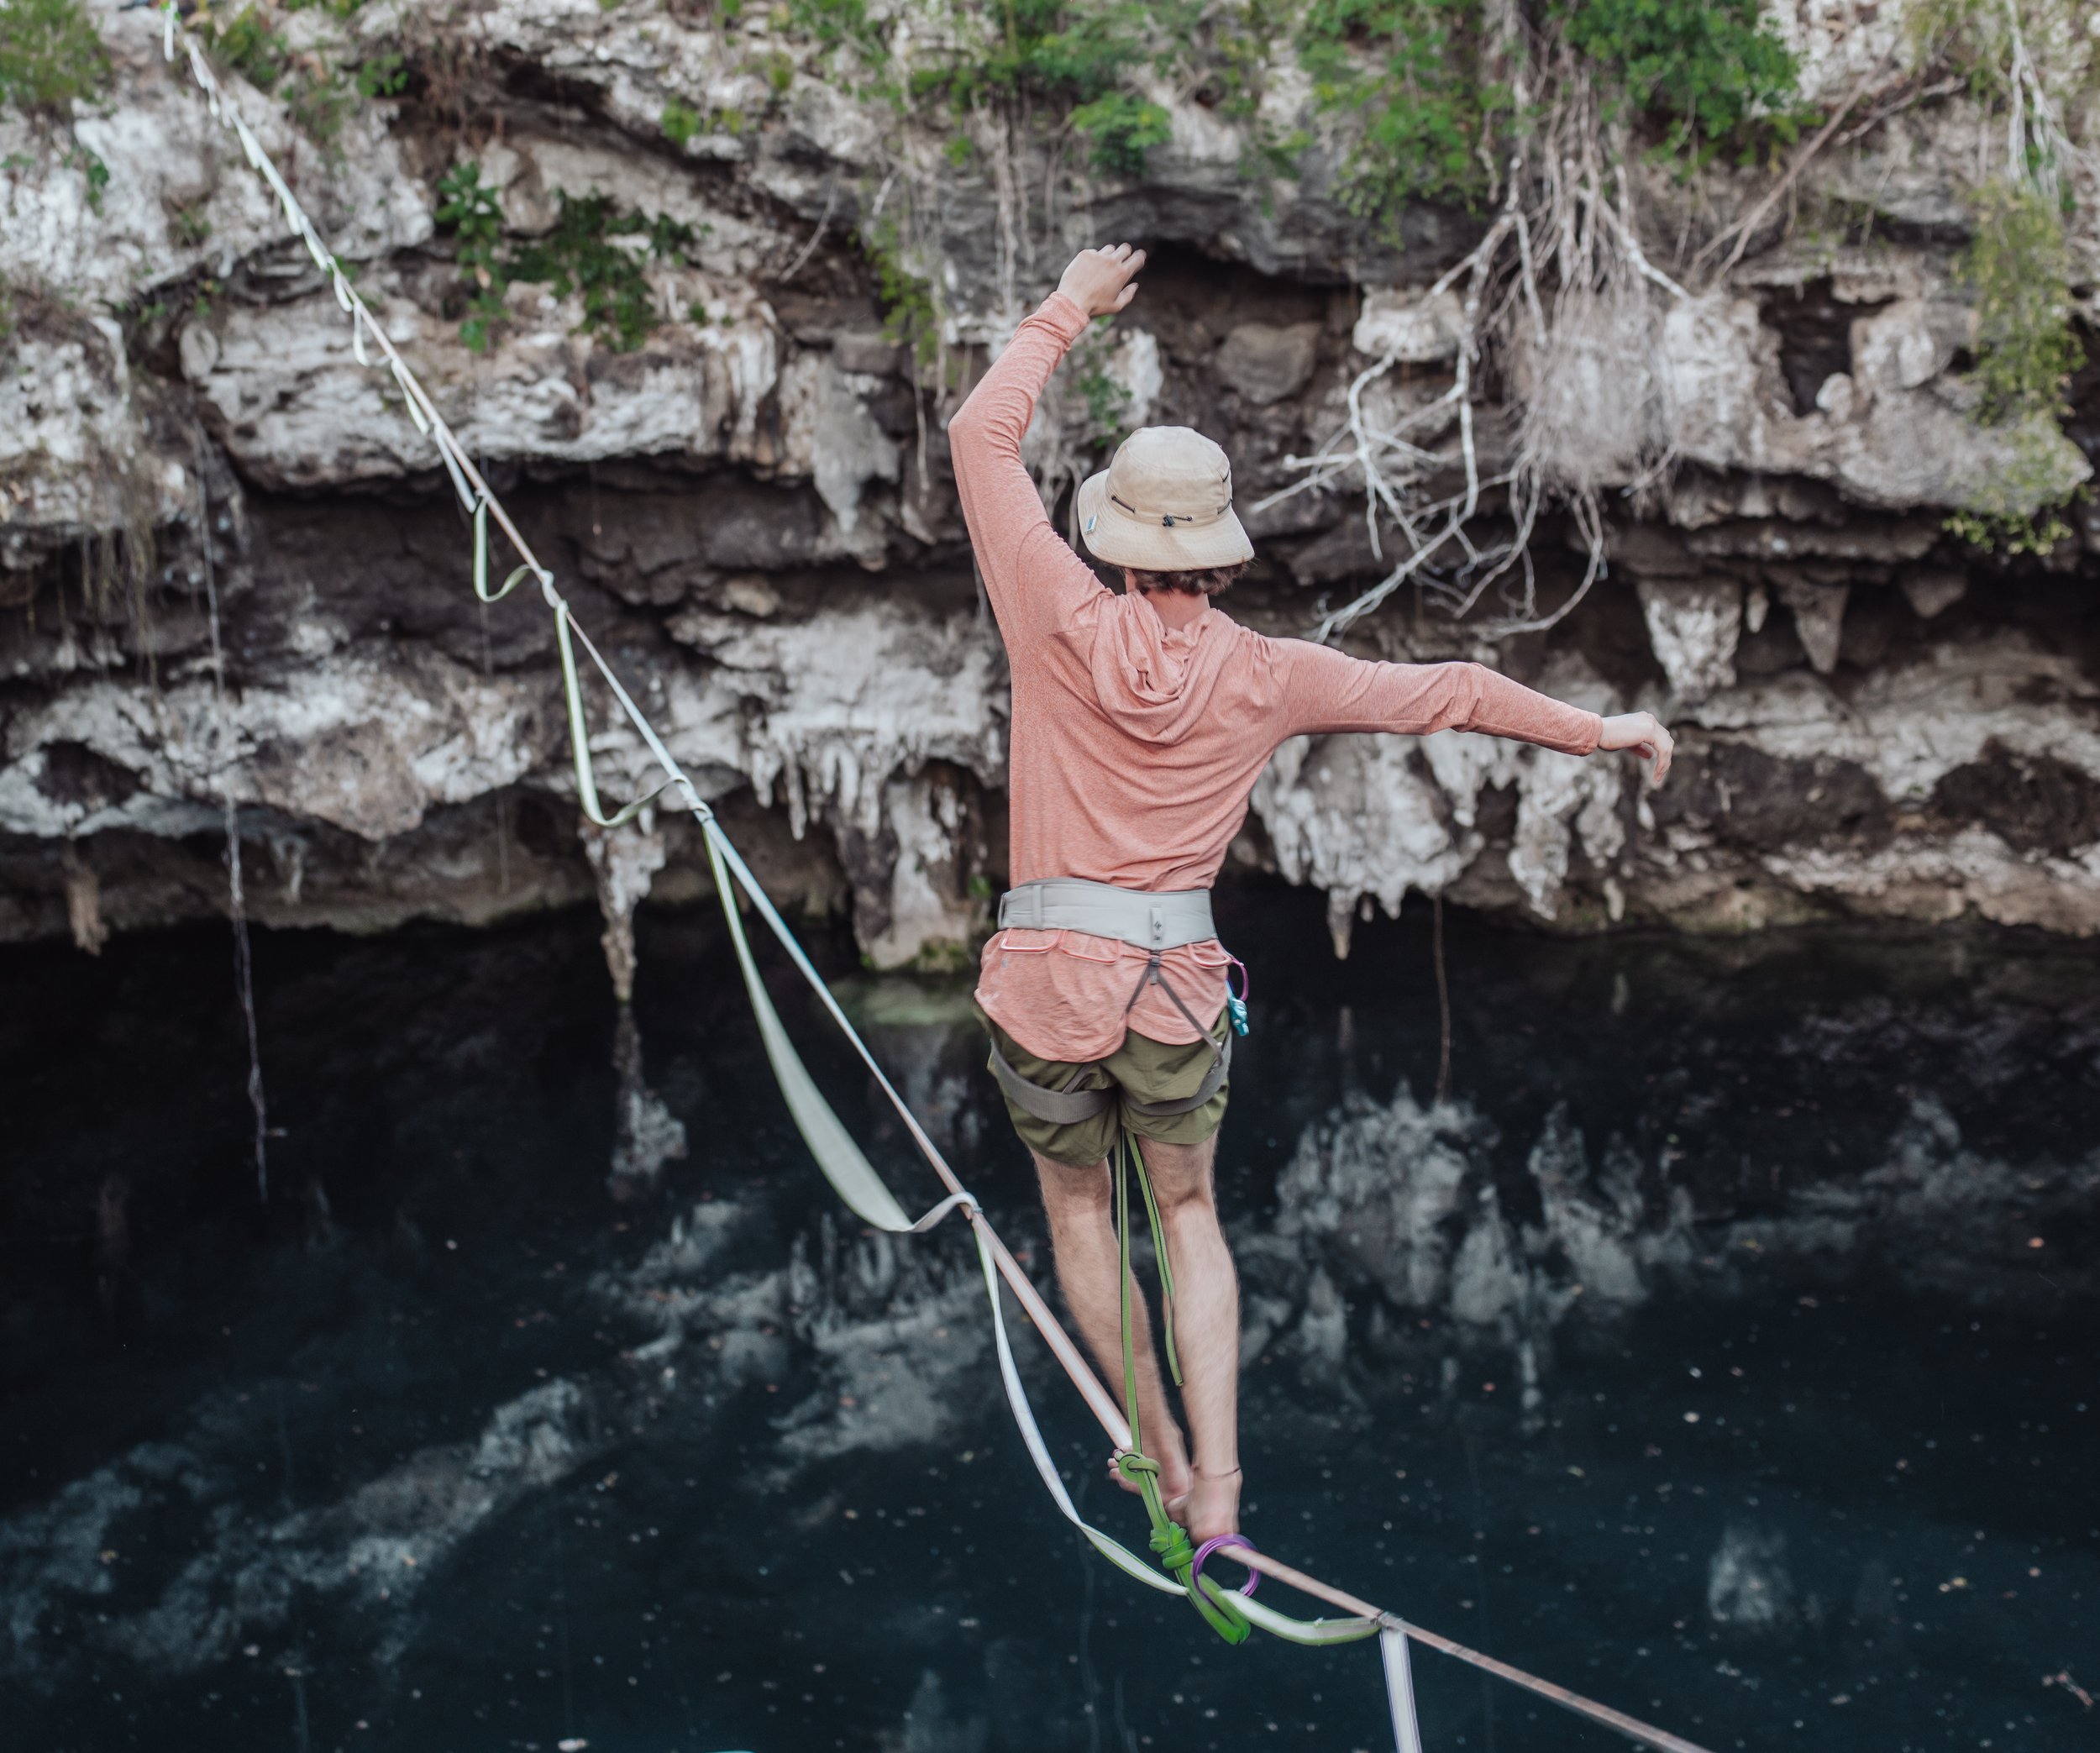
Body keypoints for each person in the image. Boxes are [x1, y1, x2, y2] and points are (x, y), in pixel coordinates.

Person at [947, 243, 1673, 1547]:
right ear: (1220, 562)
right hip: (1171, 990)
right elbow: (1446, 688)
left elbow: (980, 437)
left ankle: (1149, 1447)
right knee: (1184, 1212)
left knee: (1077, 1209)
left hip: (1047, 982)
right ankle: (1218, 1486)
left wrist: (1070, 306)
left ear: (1115, 544)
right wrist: (1601, 730)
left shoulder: (1051, 608)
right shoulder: (1271, 673)